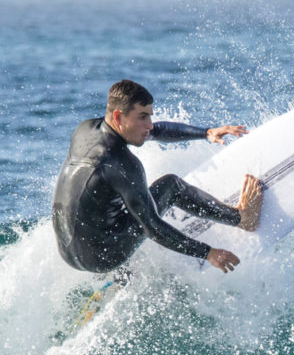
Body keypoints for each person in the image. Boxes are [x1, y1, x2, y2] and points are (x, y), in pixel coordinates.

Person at [52, 79, 263, 275]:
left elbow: (157, 131)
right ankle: (242, 219)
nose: (150, 124)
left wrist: (206, 132)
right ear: (118, 117)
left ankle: (122, 276)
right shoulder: (122, 165)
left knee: (112, 201)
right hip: (104, 258)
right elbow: (152, 228)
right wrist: (209, 253)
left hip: (68, 252)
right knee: (170, 186)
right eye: (143, 117)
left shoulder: (85, 129)